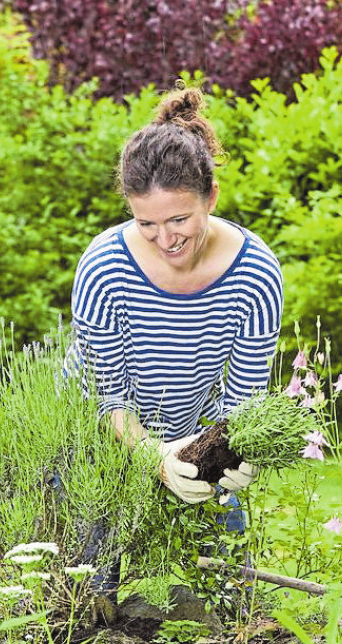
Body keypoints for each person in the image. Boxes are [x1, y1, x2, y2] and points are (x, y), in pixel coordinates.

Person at [63, 83, 284, 610]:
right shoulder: (104, 266)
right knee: (88, 601)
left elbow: (242, 403)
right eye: (147, 224)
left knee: (224, 599)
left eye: (179, 219)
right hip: (91, 437)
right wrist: (152, 455)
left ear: (210, 197)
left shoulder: (255, 273)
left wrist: (233, 453)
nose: (165, 239)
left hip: (194, 429)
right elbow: (105, 399)